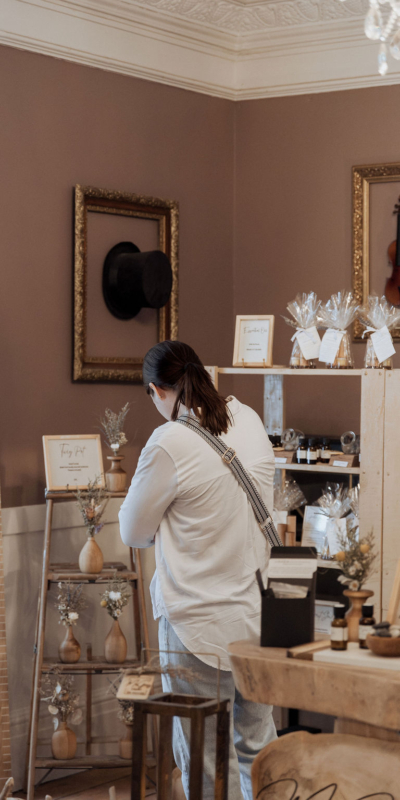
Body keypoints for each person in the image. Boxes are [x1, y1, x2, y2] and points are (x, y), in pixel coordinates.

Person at [119, 340, 277, 800]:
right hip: (257, 620)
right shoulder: (248, 419)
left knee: (206, 763)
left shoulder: (168, 441)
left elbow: (132, 530)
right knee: (259, 752)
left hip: (197, 627)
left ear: (156, 390)